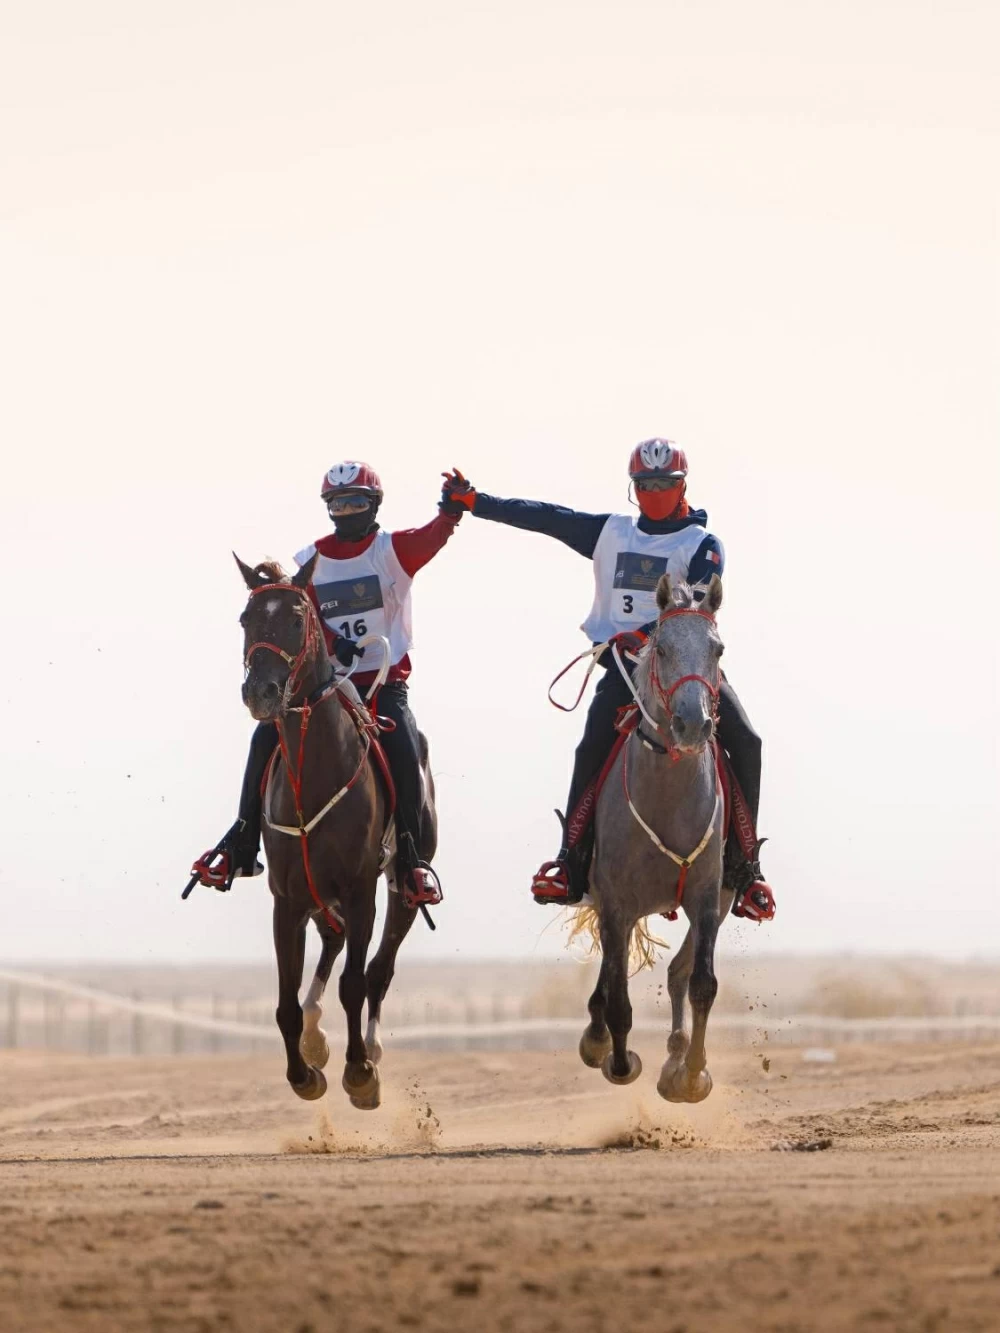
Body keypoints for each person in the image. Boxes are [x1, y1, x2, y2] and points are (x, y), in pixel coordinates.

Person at [440, 440, 775, 921]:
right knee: (591, 746)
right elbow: (548, 518)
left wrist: (646, 632)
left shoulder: (702, 544)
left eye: (663, 483)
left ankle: (746, 870)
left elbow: (695, 606)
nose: (653, 491)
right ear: (632, 487)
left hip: (684, 670)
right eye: (645, 483)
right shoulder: (612, 532)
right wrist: (477, 502)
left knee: (747, 740)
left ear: (683, 485)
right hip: (623, 672)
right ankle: (570, 863)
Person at [191, 461, 462, 907]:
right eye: (337, 504)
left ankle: (410, 858)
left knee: (405, 745)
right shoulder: (309, 560)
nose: (346, 511)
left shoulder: (393, 551)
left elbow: (434, 535)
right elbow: (302, 618)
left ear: (373, 505)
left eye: (354, 502)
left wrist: (450, 511)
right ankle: (240, 843)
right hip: (326, 684)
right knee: (264, 739)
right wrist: (337, 643)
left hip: (383, 683)